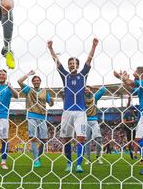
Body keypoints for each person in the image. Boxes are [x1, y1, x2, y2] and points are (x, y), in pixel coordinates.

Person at [47, 37, 99, 173]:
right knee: (66, 139)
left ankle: (79, 164)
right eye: (70, 63)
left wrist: (93, 46)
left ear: (78, 65)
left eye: (74, 63)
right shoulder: (65, 76)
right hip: (67, 112)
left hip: (80, 112)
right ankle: (69, 163)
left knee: (81, 138)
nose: (72, 65)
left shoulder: (83, 75)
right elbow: (56, 62)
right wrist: (51, 48)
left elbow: (89, 60)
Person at [17, 70, 54, 168]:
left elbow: (50, 103)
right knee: (33, 138)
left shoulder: (44, 91)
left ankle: (38, 157)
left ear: (40, 81)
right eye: (35, 80)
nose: (36, 81)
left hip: (42, 117)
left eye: (38, 80)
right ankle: (36, 160)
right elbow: (19, 81)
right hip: (32, 115)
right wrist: (28, 74)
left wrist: (52, 101)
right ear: (32, 82)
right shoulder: (28, 90)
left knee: (44, 140)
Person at [84, 85, 106, 164]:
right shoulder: (81, 99)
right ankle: (88, 159)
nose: (87, 91)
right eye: (85, 90)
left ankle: (98, 157)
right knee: (87, 141)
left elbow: (104, 89)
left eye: (88, 90)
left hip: (94, 121)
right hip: (85, 121)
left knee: (99, 139)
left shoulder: (94, 97)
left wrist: (94, 88)